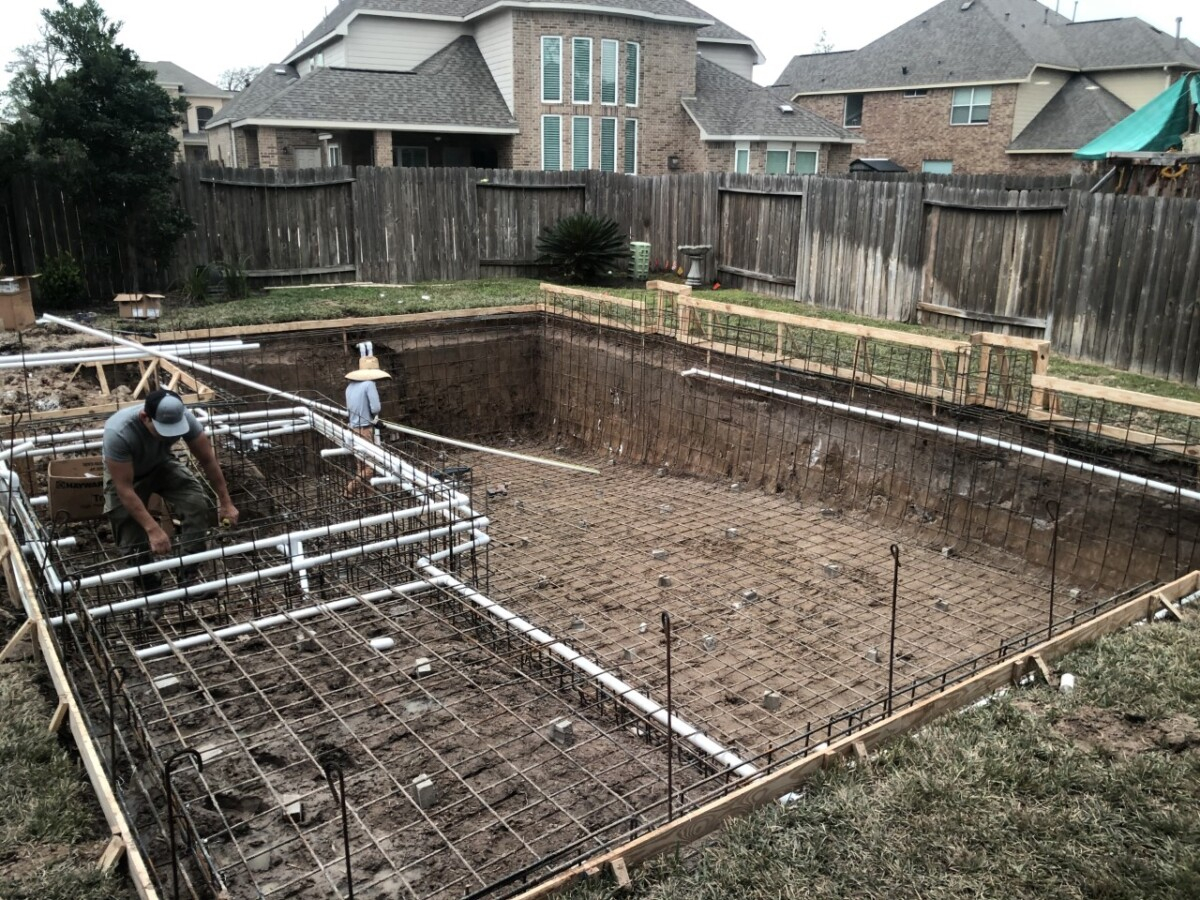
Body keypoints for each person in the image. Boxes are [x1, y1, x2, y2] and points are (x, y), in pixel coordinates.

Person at [102, 388, 239, 595]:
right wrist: (153, 529)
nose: (172, 434)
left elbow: (208, 460)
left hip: (161, 463)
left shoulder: (185, 419)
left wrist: (226, 502)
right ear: (145, 417)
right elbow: (124, 489)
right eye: (164, 429)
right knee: (130, 536)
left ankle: (188, 578)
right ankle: (151, 590)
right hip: (127, 476)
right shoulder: (119, 432)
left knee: (196, 502)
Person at [344, 342, 391, 496]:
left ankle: (369, 497)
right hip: (365, 429)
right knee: (370, 468)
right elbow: (376, 408)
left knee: (361, 466)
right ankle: (349, 490)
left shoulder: (350, 386)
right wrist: (373, 417)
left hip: (352, 428)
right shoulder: (369, 384)